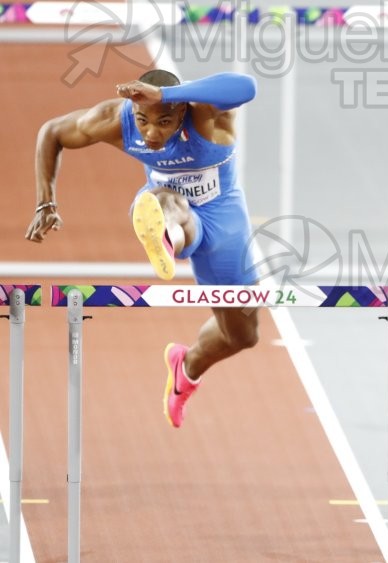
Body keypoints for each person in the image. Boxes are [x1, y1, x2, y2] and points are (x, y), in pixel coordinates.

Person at [26, 70, 260, 429]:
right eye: (143, 121)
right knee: (168, 203)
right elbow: (52, 132)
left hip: (224, 219)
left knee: (242, 336)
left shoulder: (206, 114)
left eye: (164, 121)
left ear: (180, 111)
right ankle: (165, 237)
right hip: (166, 207)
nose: (151, 133)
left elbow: (247, 86)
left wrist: (164, 93)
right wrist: (45, 201)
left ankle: (187, 367)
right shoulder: (116, 120)